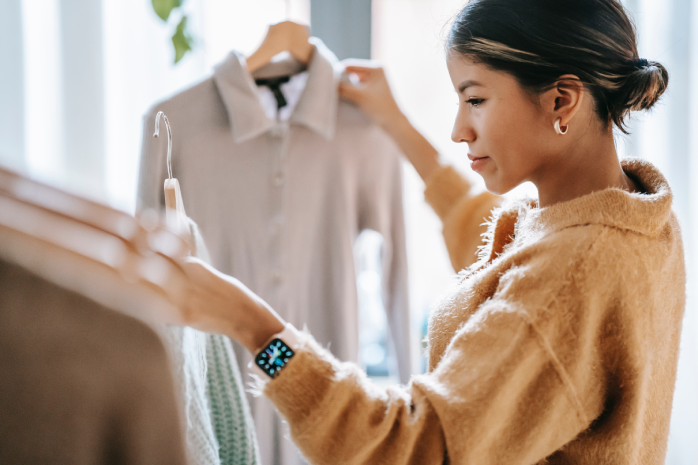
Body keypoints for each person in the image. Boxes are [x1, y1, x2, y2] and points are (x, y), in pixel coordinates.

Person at [180, 0, 686, 463]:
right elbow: (500, 265)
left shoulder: (573, 273)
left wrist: (253, 327)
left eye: (476, 99)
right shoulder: (635, 217)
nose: (459, 129)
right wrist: (396, 123)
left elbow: (412, 447)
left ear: (561, 101)